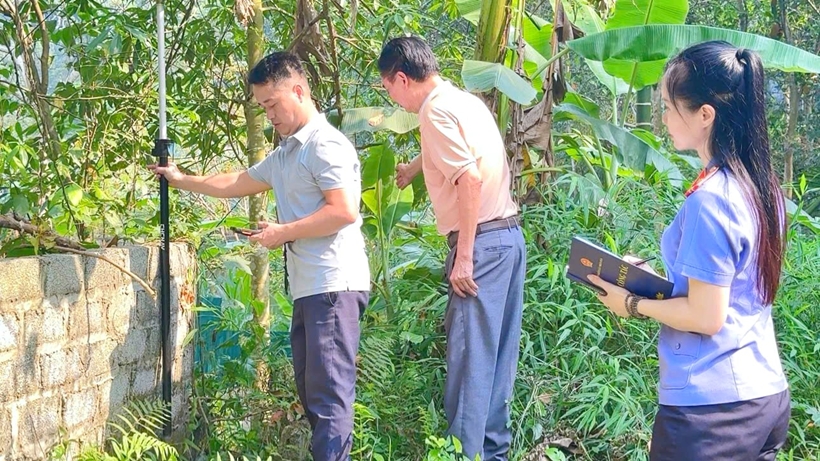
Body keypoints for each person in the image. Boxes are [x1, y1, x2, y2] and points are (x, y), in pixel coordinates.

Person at [149, 51, 370, 461]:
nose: (269, 114)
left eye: (272, 103)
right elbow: (237, 181)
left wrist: (282, 232)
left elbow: (343, 211)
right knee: (312, 393)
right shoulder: (287, 152)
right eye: (262, 107)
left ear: (298, 91)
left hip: (334, 286)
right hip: (309, 288)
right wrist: (180, 180)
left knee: (329, 398)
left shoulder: (325, 145)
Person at [588, 41, 790, 460]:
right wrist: (651, 282)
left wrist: (632, 303)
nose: (662, 119)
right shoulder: (762, 188)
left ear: (705, 115)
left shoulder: (712, 200)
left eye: (668, 106)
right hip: (764, 395)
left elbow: (706, 317)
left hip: (713, 412)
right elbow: (731, 291)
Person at [378, 36, 527, 460]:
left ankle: (462, 455)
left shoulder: (433, 112)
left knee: (470, 368)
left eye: (388, 89)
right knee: (496, 365)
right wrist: (414, 168)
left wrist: (464, 257)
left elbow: (468, 179)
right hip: (508, 240)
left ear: (402, 79)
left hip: (480, 245)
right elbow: (463, 155)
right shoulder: (464, 101)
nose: (392, 98)